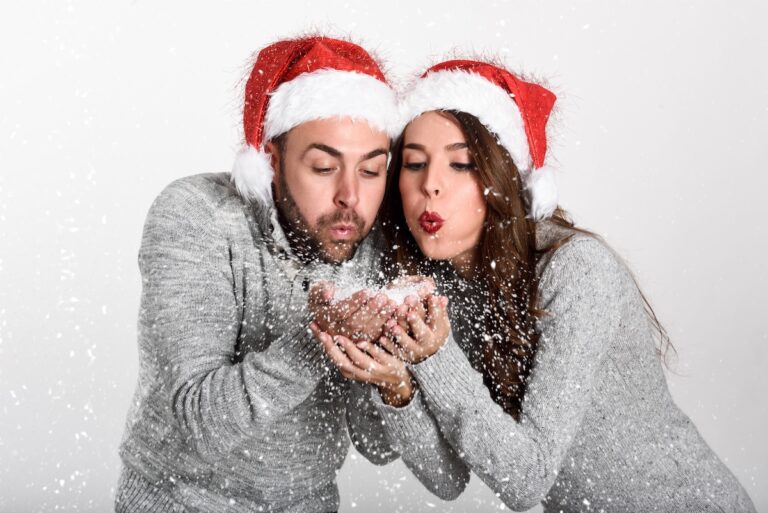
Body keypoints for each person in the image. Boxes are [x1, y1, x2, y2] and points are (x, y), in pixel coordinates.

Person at [314, 59, 756, 511]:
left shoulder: (577, 270)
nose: (431, 186)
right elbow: (440, 477)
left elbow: (527, 481)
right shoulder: (438, 284)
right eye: (413, 164)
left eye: (462, 163)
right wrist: (392, 382)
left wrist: (433, 357)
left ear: (502, 177)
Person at [114, 36, 461, 513]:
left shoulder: (373, 246)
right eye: (323, 166)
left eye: (371, 170)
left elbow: (376, 448)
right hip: (179, 501)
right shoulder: (199, 215)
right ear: (271, 161)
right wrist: (319, 338)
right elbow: (197, 425)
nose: (350, 197)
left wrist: (393, 380)